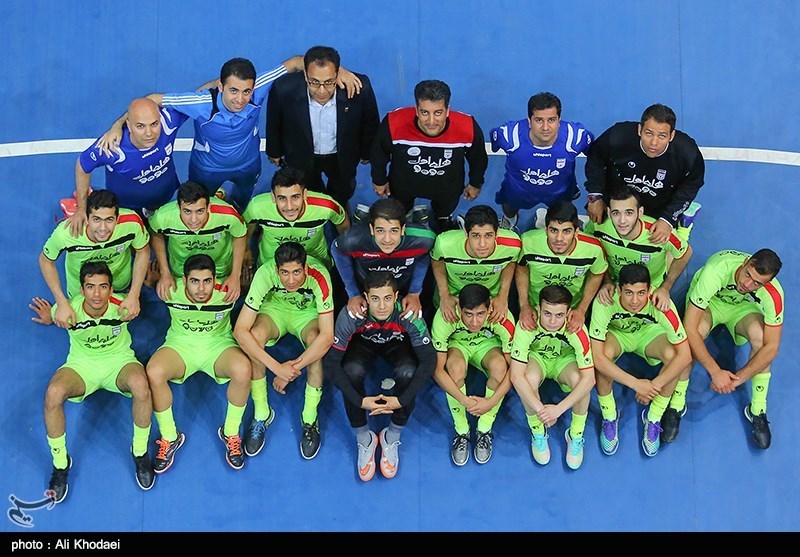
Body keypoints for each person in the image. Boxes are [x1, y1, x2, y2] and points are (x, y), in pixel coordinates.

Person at [97, 56, 363, 212]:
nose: (240, 99)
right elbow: (151, 100)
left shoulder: (259, 88)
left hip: (248, 166)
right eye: (233, 91)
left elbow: (295, 63)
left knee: (241, 203)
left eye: (246, 91)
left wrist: (340, 71)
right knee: (199, 208)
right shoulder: (201, 102)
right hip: (206, 170)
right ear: (220, 85)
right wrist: (116, 125)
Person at [32, 261, 154, 503]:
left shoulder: (124, 306)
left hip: (118, 362)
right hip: (82, 366)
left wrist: (150, 284)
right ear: (81, 289)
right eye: (90, 287)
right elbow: (57, 315)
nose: (97, 294)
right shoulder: (68, 310)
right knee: (53, 394)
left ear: (111, 289)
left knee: (141, 384)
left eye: (103, 287)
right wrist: (50, 318)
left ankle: (140, 452)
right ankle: (60, 465)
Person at [323, 272, 436, 481]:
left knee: (408, 371)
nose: (382, 306)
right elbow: (330, 364)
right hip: (363, 342)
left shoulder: (408, 315)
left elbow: (429, 360)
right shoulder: (352, 314)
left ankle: (391, 435)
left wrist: (401, 400)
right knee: (350, 370)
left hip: (397, 343)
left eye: (387, 298)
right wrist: (360, 401)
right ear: (366, 298)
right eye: (375, 299)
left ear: (396, 297)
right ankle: (364, 437)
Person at [145, 254, 252, 472]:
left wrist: (245, 281)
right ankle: (170, 436)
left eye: (207, 281)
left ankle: (231, 432)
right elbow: (148, 281)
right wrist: (152, 279)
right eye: (194, 281)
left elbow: (251, 289)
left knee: (243, 368)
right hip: (181, 346)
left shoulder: (229, 292)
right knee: (154, 371)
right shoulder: (169, 290)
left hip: (218, 346)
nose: (201, 289)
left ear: (215, 279)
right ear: (184, 280)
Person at [233, 242, 334, 460]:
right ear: (277, 270)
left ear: (306, 268)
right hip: (275, 311)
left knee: (316, 342)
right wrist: (277, 368)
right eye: (285, 273)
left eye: (297, 272)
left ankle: (309, 418)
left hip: (306, 314)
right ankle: (262, 413)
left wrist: (293, 368)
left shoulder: (319, 275)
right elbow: (240, 331)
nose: (291, 280)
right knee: (255, 336)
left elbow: (327, 337)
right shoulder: (265, 273)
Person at [676, 248, 783, 449]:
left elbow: (772, 348)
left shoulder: (774, 295)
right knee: (695, 332)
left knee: (761, 340)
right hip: (711, 303)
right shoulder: (716, 271)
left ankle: (758, 408)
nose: (747, 284)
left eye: (757, 283)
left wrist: (738, 379)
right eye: (747, 274)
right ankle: (676, 402)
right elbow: (689, 327)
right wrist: (715, 371)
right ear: (745, 262)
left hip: (741, 309)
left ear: (767, 284)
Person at [589, 263, 691, 457]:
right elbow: (597, 358)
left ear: (649, 289)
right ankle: (609, 415)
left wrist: (653, 386)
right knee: (603, 357)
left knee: (673, 356)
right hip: (618, 334)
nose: (635, 301)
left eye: (641, 293)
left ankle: (654, 416)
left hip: (649, 334)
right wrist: (636, 384)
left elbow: (685, 356)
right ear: (618, 289)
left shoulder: (661, 303)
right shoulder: (605, 301)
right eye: (628, 293)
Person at [265, 45, 380, 210]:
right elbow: (274, 121)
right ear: (305, 74)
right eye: (314, 82)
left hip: (342, 156)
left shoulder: (360, 88)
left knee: (343, 189)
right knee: (309, 191)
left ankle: (338, 208)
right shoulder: (284, 89)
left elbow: (370, 123)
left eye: (328, 82)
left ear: (337, 74)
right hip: (301, 155)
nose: (321, 90)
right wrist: (274, 151)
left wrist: (367, 152)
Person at [370, 79, 489, 232]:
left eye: (438, 113)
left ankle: (442, 220)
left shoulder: (467, 127)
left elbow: (478, 158)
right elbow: (379, 152)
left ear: (447, 109)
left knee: (443, 215)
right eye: (424, 112)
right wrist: (379, 179)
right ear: (416, 109)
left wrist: (475, 183)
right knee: (399, 213)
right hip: (403, 185)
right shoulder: (394, 123)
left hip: (447, 188)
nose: (431, 121)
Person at [584, 103, 705, 244]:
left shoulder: (687, 153)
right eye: (649, 133)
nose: (654, 142)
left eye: (662, 136)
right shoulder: (617, 136)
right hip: (618, 197)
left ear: (671, 136)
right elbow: (595, 158)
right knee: (597, 234)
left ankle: (682, 222)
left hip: (660, 202)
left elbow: (692, 183)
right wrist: (595, 195)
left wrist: (668, 219)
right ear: (639, 129)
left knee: (658, 243)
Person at [67, 97, 188, 236]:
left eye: (154, 124)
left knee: (156, 215)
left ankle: (149, 214)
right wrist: (81, 208)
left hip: (163, 194)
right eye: (140, 126)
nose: (149, 133)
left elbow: (199, 97)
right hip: (126, 204)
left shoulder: (169, 122)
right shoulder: (112, 147)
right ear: (129, 125)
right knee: (131, 235)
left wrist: (218, 84)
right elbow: (83, 165)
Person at [508, 285, 595, 469]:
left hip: (563, 361)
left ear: (569, 312)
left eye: (559, 315)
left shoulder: (576, 329)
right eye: (547, 314)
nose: (553, 322)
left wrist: (558, 410)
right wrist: (542, 411)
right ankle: (537, 431)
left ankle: (576, 434)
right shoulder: (527, 326)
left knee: (581, 381)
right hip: (538, 359)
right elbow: (516, 376)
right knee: (528, 378)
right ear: (538, 309)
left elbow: (590, 379)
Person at [40, 189, 150, 328]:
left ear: (117, 218)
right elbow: (45, 261)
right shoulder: (65, 234)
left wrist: (134, 294)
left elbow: (143, 251)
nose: (103, 228)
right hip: (80, 286)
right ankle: (74, 210)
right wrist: (61, 303)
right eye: (96, 219)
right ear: (86, 218)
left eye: (109, 220)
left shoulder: (132, 224)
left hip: (119, 281)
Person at [432, 283, 515, 466]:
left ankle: (484, 429)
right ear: (459, 308)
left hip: (487, 345)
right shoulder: (446, 317)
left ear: (489, 308)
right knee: (455, 369)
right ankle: (462, 431)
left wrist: (490, 403)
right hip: (459, 346)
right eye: (468, 314)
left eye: (480, 314)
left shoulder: (501, 317)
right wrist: (463, 399)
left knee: (500, 367)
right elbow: (437, 371)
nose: (475, 322)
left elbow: (515, 371)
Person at [490, 92, 594, 232]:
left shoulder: (575, 137)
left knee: (563, 213)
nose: (545, 127)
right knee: (508, 206)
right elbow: (494, 144)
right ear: (529, 120)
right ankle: (509, 221)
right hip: (518, 190)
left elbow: (595, 157)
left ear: (559, 120)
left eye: (551, 120)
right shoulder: (509, 135)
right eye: (539, 120)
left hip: (560, 192)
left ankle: (566, 223)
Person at [586, 186, 692, 312]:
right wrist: (606, 281)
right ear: (609, 212)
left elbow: (686, 253)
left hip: (651, 283)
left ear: (640, 212)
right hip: (616, 282)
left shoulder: (656, 232)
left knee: (671, 250)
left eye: (629, 213)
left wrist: (665, 288)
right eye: (616, 213)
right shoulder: (598, 226)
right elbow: (594, 250)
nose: (622, 221)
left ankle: (683, 229)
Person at [332, 197, 435, 323]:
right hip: (366, 283)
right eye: (380, 230)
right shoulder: (352, 240)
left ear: (403, 229)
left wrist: (414, 292)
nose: (387, 239)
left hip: (402, 284)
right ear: (371, 229)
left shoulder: (425, 240)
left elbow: (424, 254)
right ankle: (359, 222)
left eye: (394, 230)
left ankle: (420, 223)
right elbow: (337, 250)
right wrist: (353, 294)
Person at [515, 200, 606, 334]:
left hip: (572, 310)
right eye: (553, 230)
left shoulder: (594, 249)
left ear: (576, 232)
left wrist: (581, 309)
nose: (559, 238)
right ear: (546, 230)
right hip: (536, 307)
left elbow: (597, 273)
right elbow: (522, 267)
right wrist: (524, 306)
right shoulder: (528, 242)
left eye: (566, 231)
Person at [148, 181, 246, 303]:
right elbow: (155, 233)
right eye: (187, 211)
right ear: (178, 207)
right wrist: (165, 272)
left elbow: (240, 235)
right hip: (180, 268)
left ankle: (217, 197)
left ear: (208, 207)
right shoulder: (162, 217)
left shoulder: (228, 215)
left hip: (221, 267)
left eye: (200, 211)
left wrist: (235, 276)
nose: (193, 220)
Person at [242, 166, 349, 272]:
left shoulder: (326, 206)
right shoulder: (257, 207)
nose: (289, 207)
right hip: (270, 262)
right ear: (273, 197)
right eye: (282, 198)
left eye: (295, 197)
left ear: (305, 194)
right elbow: (247, 225)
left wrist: (346, 250)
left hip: (315, 262)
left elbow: (342, 223)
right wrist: (246, 249)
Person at [431, 204, 521, 324]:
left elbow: (511, 261)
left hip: (491, 297)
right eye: (476, 236)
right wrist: (444, 295)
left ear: (497, 232)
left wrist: (502, 296)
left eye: (488, 235)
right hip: (454, 295)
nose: (482, 244)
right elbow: (437, 260)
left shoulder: (513, 245)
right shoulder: (444, 244)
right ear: (465, 233)